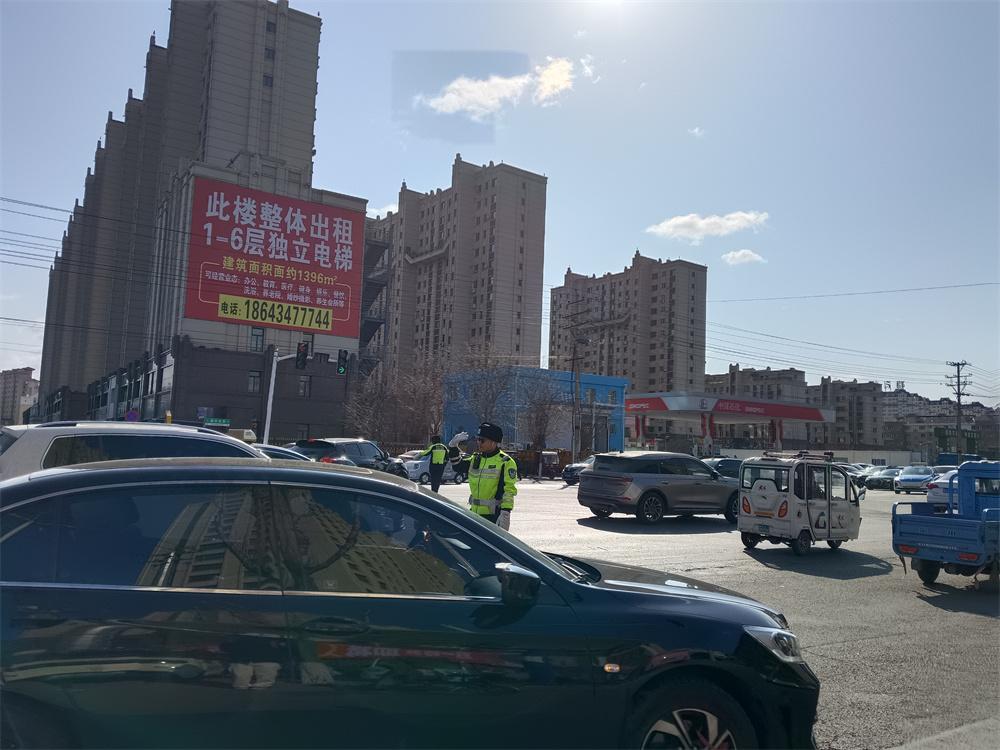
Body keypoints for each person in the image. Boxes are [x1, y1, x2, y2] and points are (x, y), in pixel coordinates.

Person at [448, 423, 517, 530]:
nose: (479, 442)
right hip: (474, 514)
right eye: (478, 439)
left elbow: (508, 490)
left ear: (494, 442)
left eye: (482, 440)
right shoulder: (476, 459)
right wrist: (453, 446)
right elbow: (457, 466)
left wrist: (505, 513)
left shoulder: (505, 462)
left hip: (493, 517)